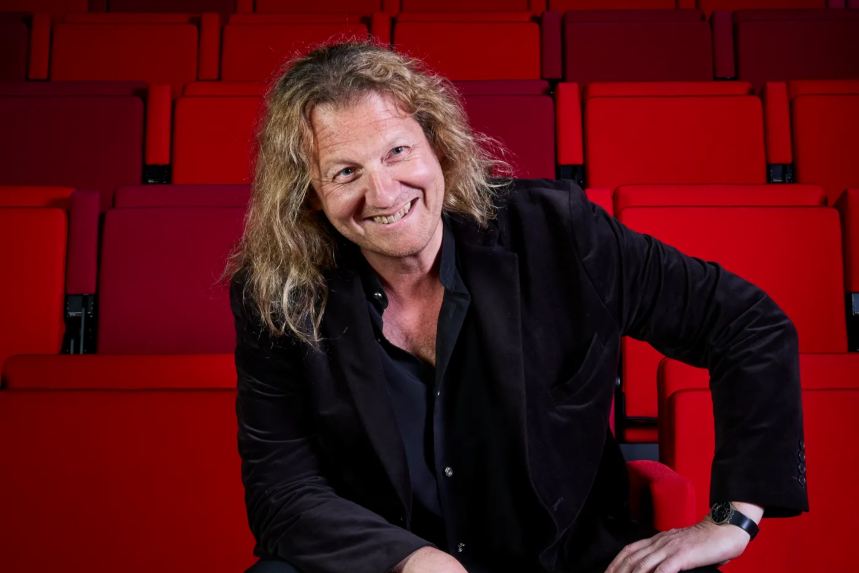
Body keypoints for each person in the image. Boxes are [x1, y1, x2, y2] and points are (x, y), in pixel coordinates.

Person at [227, 42, 807, 573]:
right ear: (310, 195)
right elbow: (283, 492)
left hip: (571, 561)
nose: (382, 193)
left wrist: (732, 519)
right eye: (345, 172)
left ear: (438, 146)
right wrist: (409, 560)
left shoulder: (558, 231)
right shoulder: (278, 294)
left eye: (397, 151)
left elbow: (746, 325)